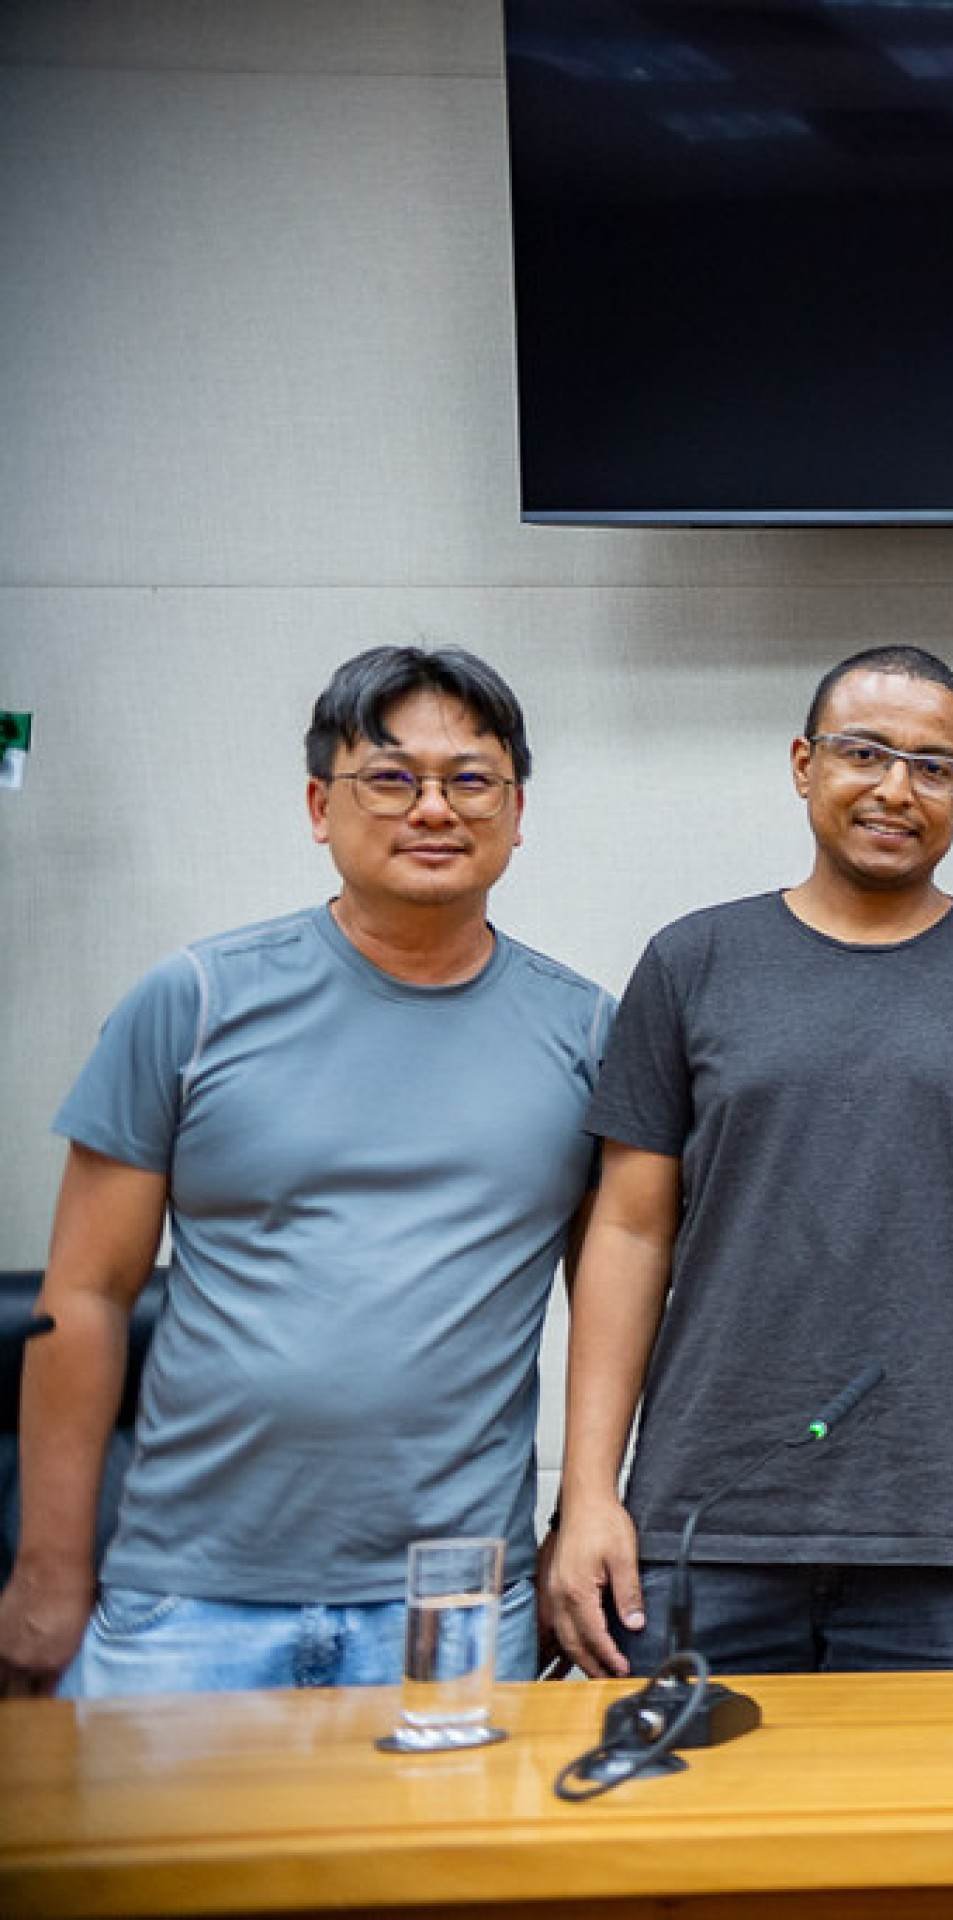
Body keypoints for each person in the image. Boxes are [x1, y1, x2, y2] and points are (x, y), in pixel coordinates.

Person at [0, 647, 609, 1698]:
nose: (433, 808)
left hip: (454, 1602)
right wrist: (50, 1570)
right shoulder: (191, 1002)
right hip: (187, 1599)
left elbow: (613, 1300)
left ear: (517, 812)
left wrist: (580, 1519)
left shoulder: (590, 1034)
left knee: (446, 1871)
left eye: (470, 779)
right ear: (321, 805)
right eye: (390, 777)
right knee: (156, 1868)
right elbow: (87, 1297)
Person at [541, 646, 953, 1677]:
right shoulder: (692, 963)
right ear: (803, 764)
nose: (898, 787)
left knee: (945, 1840)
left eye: (936, 767)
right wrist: (588, 1492)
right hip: (701, 1532)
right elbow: (626, 1229)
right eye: (865, 752)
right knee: (689, 1836)